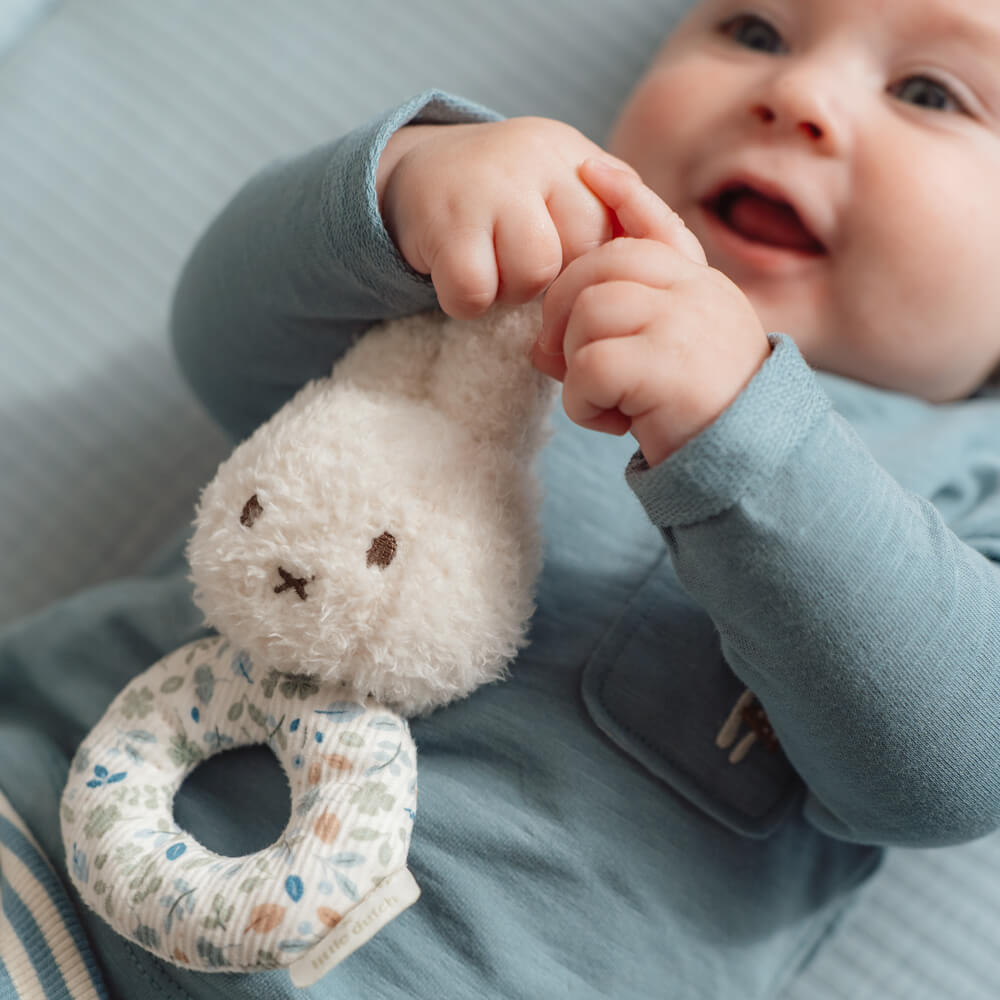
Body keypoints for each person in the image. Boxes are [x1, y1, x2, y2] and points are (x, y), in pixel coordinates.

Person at [4, 0, 1000, 997]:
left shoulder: (965, 477)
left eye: (929, 92)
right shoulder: (504, 259)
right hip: (42, 836)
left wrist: (745, 425)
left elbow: (951, 768)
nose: (794, 96)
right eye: (752, 31)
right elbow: (225, 355)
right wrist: (400, 187)